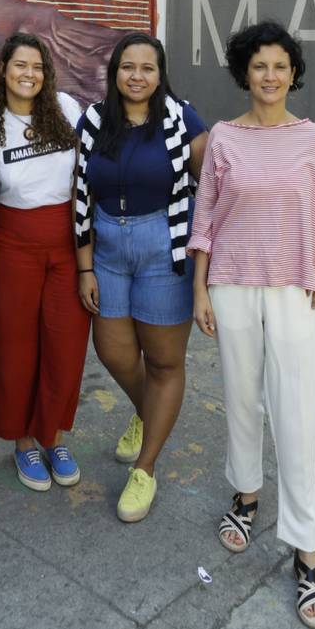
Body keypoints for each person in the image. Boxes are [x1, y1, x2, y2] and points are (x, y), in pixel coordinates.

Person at [188, 21, 315, 629]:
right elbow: (205, 215)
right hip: (231, 287)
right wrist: (202, 287)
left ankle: (305, 549)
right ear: (244, 73)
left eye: (279, 66)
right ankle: (246, 493)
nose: (269, 76)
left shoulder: (313, 139)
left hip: (293, 290)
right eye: (258, 66)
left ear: (293, 73)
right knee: (240, 402)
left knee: (296, 410)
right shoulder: (226, 140)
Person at [73, 32, 208, 523]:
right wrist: (84, 265)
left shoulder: (179, 117)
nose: (136, 76)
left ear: (160, 73)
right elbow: (80, 196)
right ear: (114, 73)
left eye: (147, 68)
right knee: (113, 351)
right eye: (127, 67)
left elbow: (214, 183)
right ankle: (148, 413)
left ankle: (146, 467)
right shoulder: (92, 120)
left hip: (164, 247)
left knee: (165, 361)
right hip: (107, 249)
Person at [0, 33, 89, 491]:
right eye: (20, 65)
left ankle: (54, 436)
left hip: (67, 244)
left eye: (37, 67)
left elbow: (88, 172)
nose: (29, 74)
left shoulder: (65, 108)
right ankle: (24, 441)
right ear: (3, 70)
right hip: (11, 244)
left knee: (66, 345)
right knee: (17, 348)